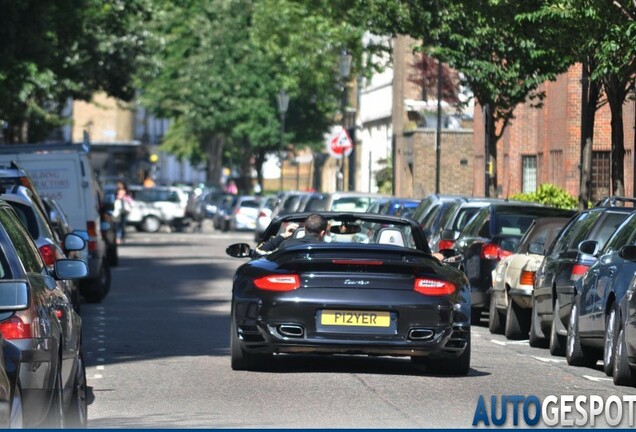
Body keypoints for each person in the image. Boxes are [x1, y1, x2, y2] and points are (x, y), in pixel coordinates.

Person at [256, 213, 328, 254]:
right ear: (322, 233)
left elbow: (260, 251)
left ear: (305, 228)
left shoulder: (287, 245)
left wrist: (283, 236)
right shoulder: (329, 249)